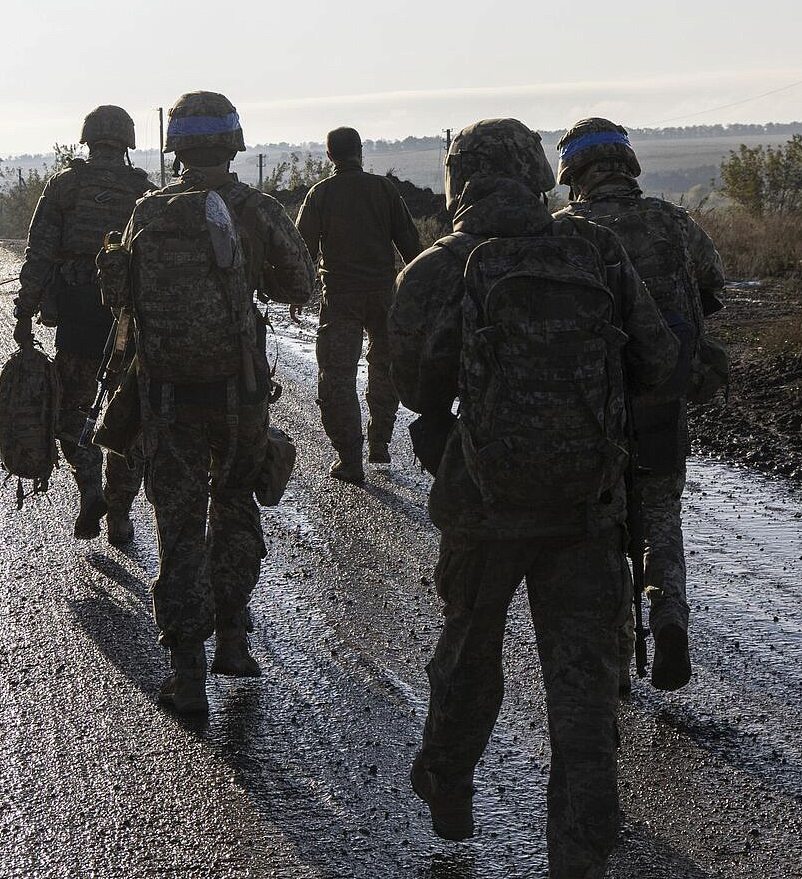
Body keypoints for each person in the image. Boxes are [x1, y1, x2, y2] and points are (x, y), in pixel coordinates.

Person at [388, 118, 678, 877]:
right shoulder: (596, 251)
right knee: (582, 701)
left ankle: (447, 779)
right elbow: (660, 362)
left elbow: (416, 388)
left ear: (459, 180)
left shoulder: (432, 269)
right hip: (585, 509)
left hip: (482, 510)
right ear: (534, 175)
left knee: (470, 651)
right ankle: (578, 859)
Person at [116, 90, 313, 715]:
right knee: (233, 504)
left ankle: (188, 673)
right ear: (233, 142)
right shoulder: (255, 208)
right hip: (240, 394)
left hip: (168, 393)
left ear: (176, 146)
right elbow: (302, 284)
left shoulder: (146, 212)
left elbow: (121, 300)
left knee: (177, 528)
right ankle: (233, 638)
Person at [553, 117, 725, 692]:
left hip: (591, 410)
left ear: (572, 173)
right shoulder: (672, 222)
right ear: (628, 166)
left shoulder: (564, 233)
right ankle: (669, 610)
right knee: (659, 515)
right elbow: (714, 281)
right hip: (662, 397)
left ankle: (618, 657)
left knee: (602, 527)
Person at [12, 105, 153, 545]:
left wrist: (24, 311)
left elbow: (39, 256)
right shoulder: (144, 194)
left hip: (76, 314)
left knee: (72, 409)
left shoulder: (64, 187)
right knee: (127, 415)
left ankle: (90, 483)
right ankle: (120, 515)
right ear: (127, 141)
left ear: (88, 138)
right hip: (128, 319)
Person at [293, 126, 424, 484]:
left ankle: (350, 459)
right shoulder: (384, 190)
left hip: (340, 298)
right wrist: (420, 295)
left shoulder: (320, 194)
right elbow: (411, 246)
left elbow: (301, 250)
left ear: (330, 155)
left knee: (337, 377)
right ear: (360, 152)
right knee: (384, 365)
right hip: (385, 294)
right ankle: (380, 439)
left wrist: (296, 293)